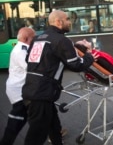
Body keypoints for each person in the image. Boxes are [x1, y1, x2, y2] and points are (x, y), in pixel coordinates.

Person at [21, 10, 96, 145]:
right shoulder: (62, 40)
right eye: (67, 19)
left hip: (31, 89)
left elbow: (29, 60)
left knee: (54, 128)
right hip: (42, 94)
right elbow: (75, 65)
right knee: (35, 137)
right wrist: (90, 56)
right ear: (59, 22)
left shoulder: (38, 38)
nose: (70, 22)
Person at [0, 27, 35, 145]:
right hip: (19, 91)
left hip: (22, 89)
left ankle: (52, 131)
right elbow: (30, 68)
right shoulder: (20, 50)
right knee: (18, 117)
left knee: (36, 113)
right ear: (26, 38)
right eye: (33, 37)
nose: (34, 40)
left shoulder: (23, 47)